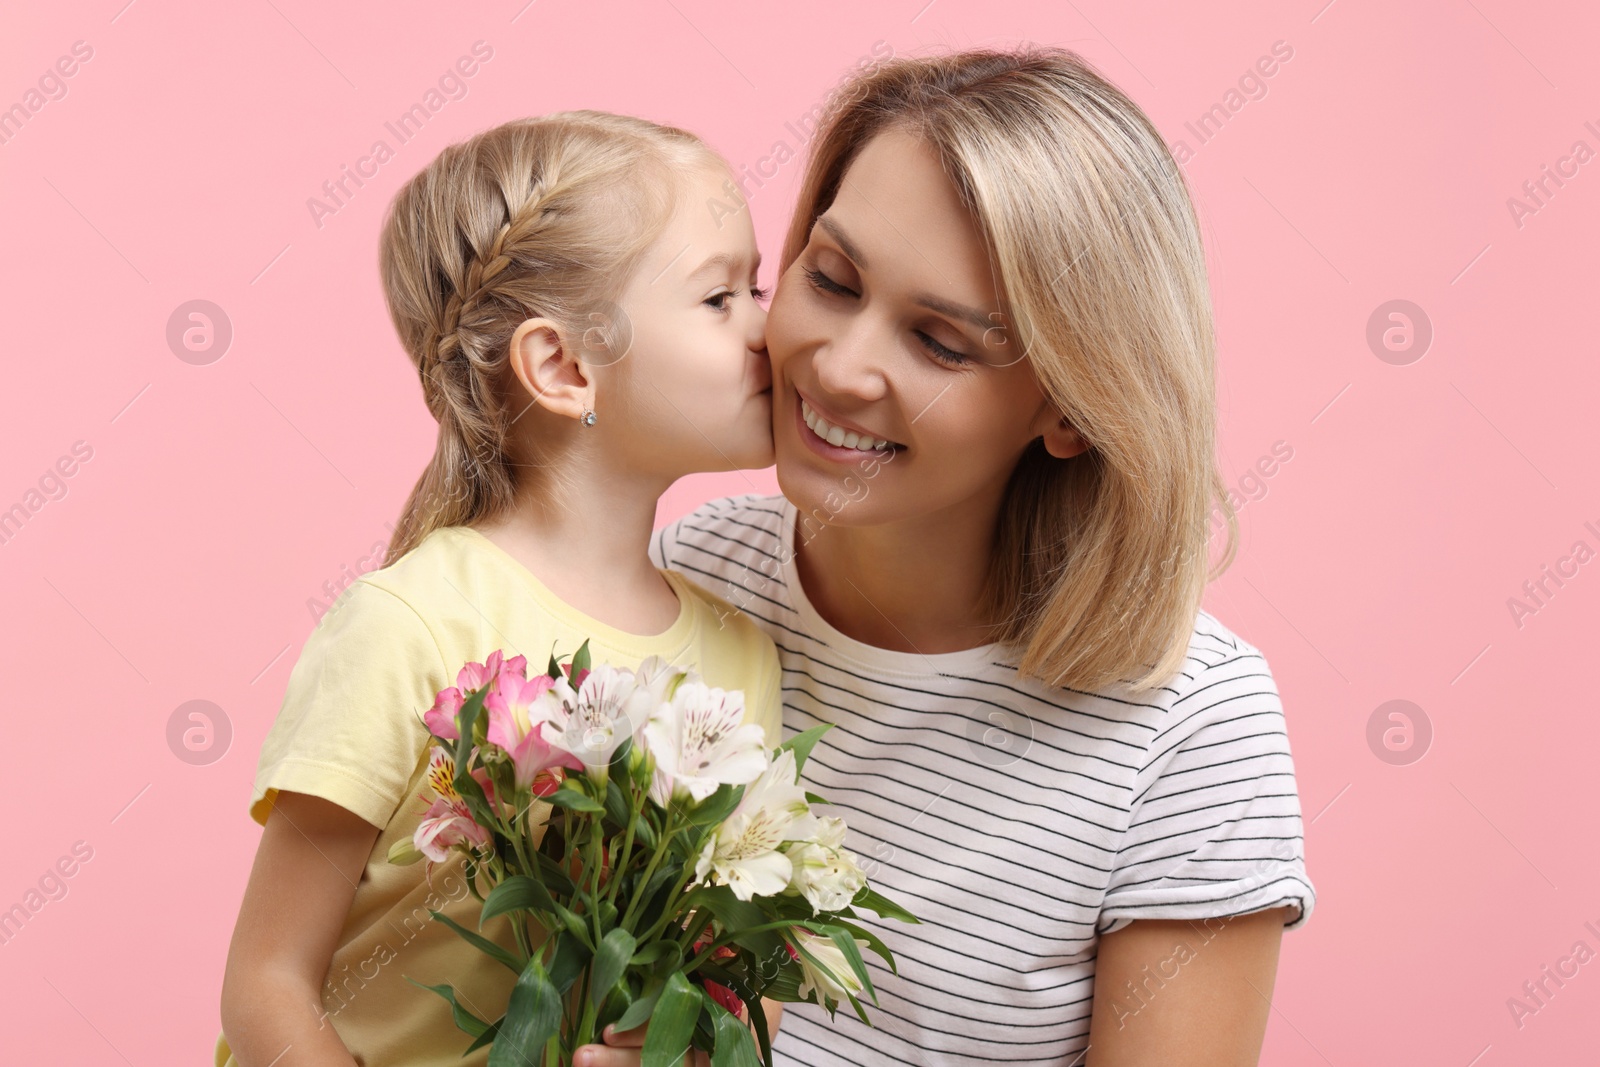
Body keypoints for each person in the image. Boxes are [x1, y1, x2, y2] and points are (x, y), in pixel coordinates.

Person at [624, 46, 1316, 1067]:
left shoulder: (1191, 729)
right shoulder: (682, 577)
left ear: (1071, 409)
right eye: (831, 277)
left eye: (942, 343)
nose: (842, 366)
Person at [216, 110, 786, 1067]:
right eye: (720, 296)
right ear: (564, 366)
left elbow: (728, 976)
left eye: (756, 285)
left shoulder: (739, 652)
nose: (772, 328)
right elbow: (266, 983)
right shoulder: (414, 624)